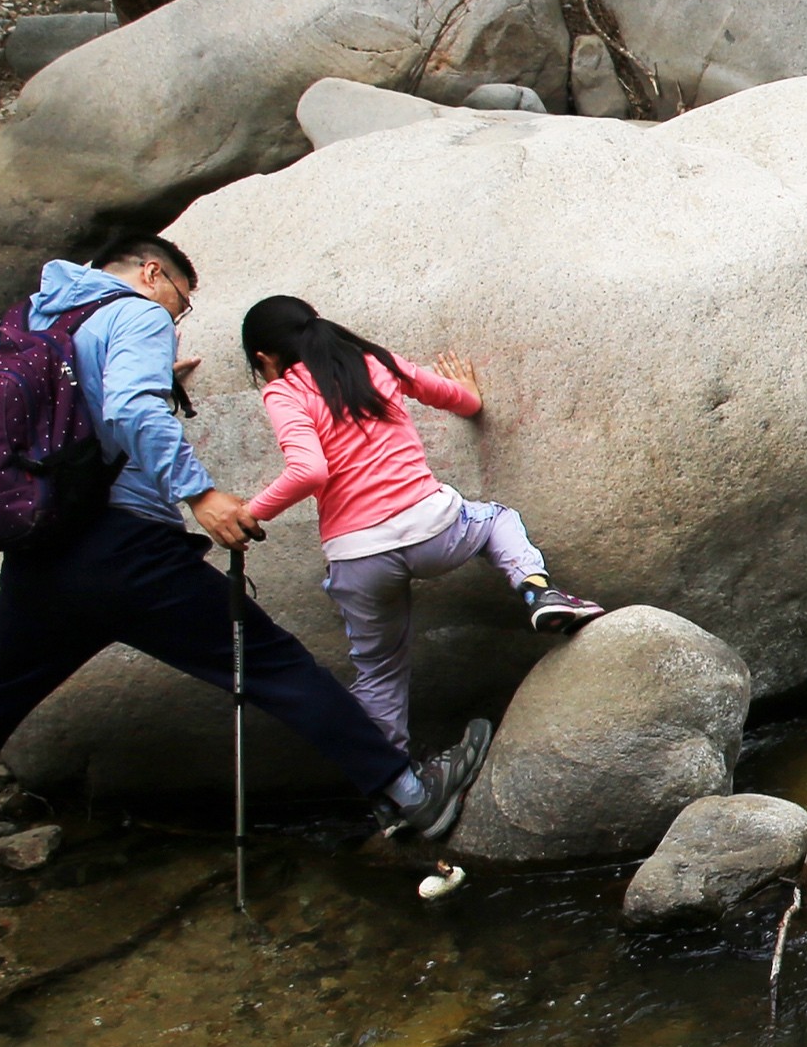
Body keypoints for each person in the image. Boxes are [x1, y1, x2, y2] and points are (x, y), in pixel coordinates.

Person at [0, 239, 488, 883]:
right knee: (274, 666)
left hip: (45, 551)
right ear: (151, 273)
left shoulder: (28, 317)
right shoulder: (135, 311)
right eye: (180, 302)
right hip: (129, 548)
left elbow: (66, 418)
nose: (174, 319)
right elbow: (130, 409)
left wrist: (160, 384)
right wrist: (199, 493)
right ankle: (410, 793)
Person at [236, 295, 604, 754]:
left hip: (358, 556)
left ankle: (396, 786)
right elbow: (463, 402)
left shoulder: (284, 391)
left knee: (379, 673)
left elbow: (309, 470)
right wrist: (468, 391)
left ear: (264, 358)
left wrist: (250, 513)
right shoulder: (371, 361)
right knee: (496, 522)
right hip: (434, 529)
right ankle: (535, 589)